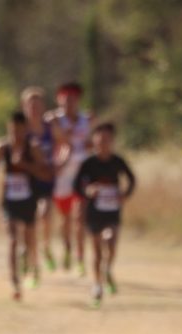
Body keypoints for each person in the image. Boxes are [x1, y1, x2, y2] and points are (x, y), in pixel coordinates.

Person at [74, 122, 136, 307]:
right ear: (94, 141)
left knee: (111, 241)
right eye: (100, 139)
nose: (103, 143)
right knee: (97, 251)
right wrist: (88, 191)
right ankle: (97, 284)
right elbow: (77, 185)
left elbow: (132, 179)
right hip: (94, 212)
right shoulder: (88, 163)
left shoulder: (117, 161)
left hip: (112, 211)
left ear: (112, 141)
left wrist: (125, 195)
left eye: (107, 139)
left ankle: (108, 270)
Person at [0, 112, 53, 301]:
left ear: (25, 130)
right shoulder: (3, 147)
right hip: (9, 201)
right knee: (12, 240)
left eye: (19, 131)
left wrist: (25, 165)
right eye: (12, 131)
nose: (15, 135)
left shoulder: (33, 147)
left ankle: (31, 266)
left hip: (28, 200)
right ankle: (15, 283)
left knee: (28, 242)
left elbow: (46, 174)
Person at [48, 81, 93, 274]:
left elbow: (91, 143)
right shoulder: (53, 120)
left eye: (73, 99)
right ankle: (67, 248)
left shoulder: (86, 120)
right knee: (65, 218)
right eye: (65, 99)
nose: (69, 103)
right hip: (61, 176)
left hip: (81, 175)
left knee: (79, 218)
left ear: (78, 100)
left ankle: (80, 258)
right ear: (59, 100)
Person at [21, 86, 57, 273]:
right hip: (26, 182)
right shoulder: (21, 129)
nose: (34, 108)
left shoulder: (50, 127)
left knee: (45, 213)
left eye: (37, 105)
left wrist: (60, 163)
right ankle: (33, 261)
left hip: (46, 180)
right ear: (24, 107)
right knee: (29, 225)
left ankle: (46, 245)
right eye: (30, 105)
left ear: (43, 106)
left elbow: (65, 144)